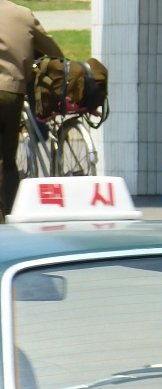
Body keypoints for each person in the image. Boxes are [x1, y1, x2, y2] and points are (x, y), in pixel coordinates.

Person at [0, 0, 63, 222]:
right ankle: (9, 214)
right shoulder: (22, 14)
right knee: (7, 160)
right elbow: (53, 51)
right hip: (12, 91)